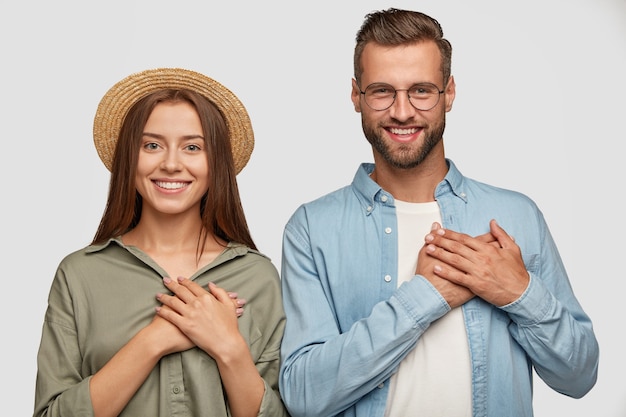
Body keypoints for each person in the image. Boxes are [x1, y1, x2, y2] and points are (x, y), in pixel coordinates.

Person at [278, 8, 599, 417]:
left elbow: (579, 377)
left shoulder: (517, 216)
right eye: (382, 91)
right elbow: (304, 396)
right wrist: (425, 297)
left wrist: (520, 293)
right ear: (356, 96)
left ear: (448, 92)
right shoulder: (312, 228)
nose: (402, 111)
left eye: (421, 91)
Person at [34, 68, 288, 417]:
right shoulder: (79, 275)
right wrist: (155, 339)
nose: (171, 164)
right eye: (152, 145)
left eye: (192, 147)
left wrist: (228, 346)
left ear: (216, 163)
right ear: (129, 158)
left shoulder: (258, 276)